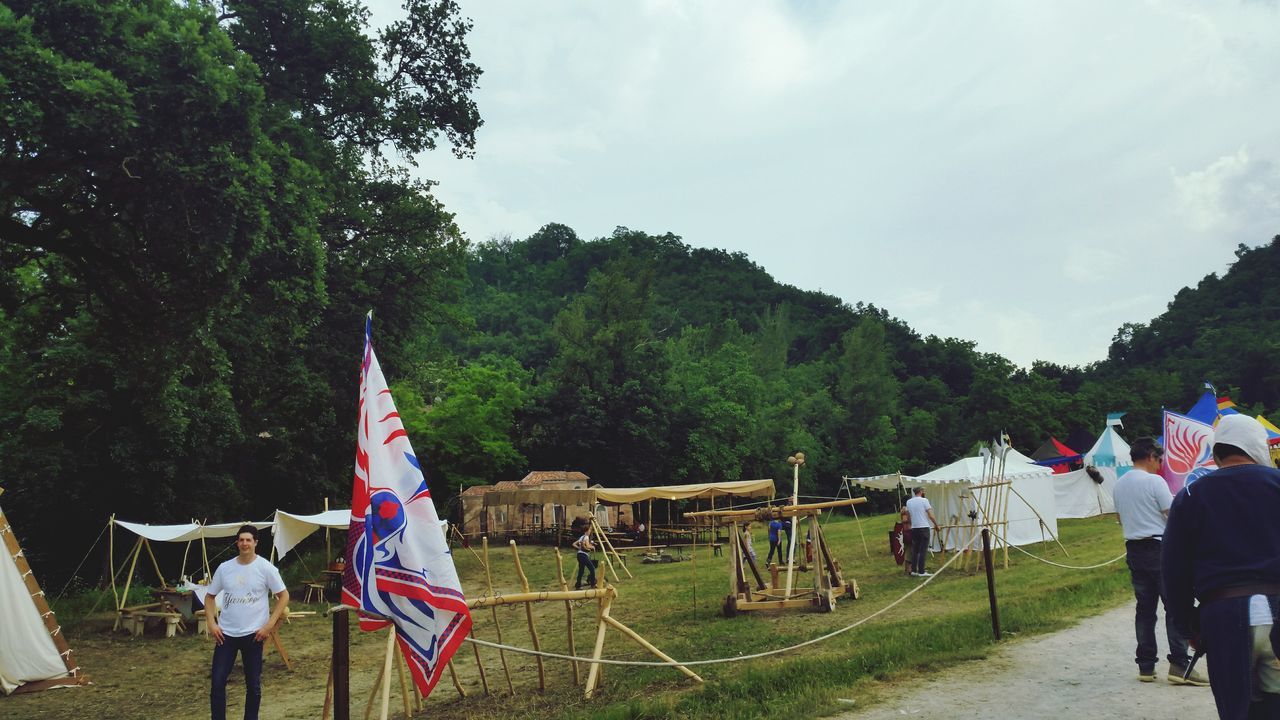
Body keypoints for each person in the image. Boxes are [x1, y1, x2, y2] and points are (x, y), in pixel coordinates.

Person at [1163, 414, 1280, 718]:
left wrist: (1187, 624)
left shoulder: (1190, 494)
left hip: (1223, 617)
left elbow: (1173, 571)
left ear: (1216, 454)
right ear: (1258, 446)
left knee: (1236, 711)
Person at [1112, 437, 1206, 686]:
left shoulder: (1119, 484)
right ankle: (1179, 664)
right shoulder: (1155, 481)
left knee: (1145, 610)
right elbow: (1172, 516)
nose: (1160, 464)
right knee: (1175, 607)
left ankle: (1146, 665)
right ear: (1151, 456)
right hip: (1158, 547)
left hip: (1133, 548)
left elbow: (1121, 520)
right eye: (1159, 459)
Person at [205, 525, 289, 720]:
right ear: (237, 543)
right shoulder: (225, 568)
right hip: (226, 635)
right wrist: (212, 623)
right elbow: (209, 597)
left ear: (255, 543)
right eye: (241, 540)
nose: (245, 543)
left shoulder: (265, 568)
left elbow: (283, 596)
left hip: (254, 634)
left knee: (253, 684)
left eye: (248, 540)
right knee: (217, 682)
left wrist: (269, 625)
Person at [904, 486, 940, 577]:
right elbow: (931, 515)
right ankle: (921, 571)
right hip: (924, 527)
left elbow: (908, 516)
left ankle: (913, 570)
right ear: (920, 492)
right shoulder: (924, 501)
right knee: (923, 550)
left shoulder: (909, 502)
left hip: (914, 528)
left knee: (915, 550)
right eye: (923, 491)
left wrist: (912, 525)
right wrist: (936, 525)